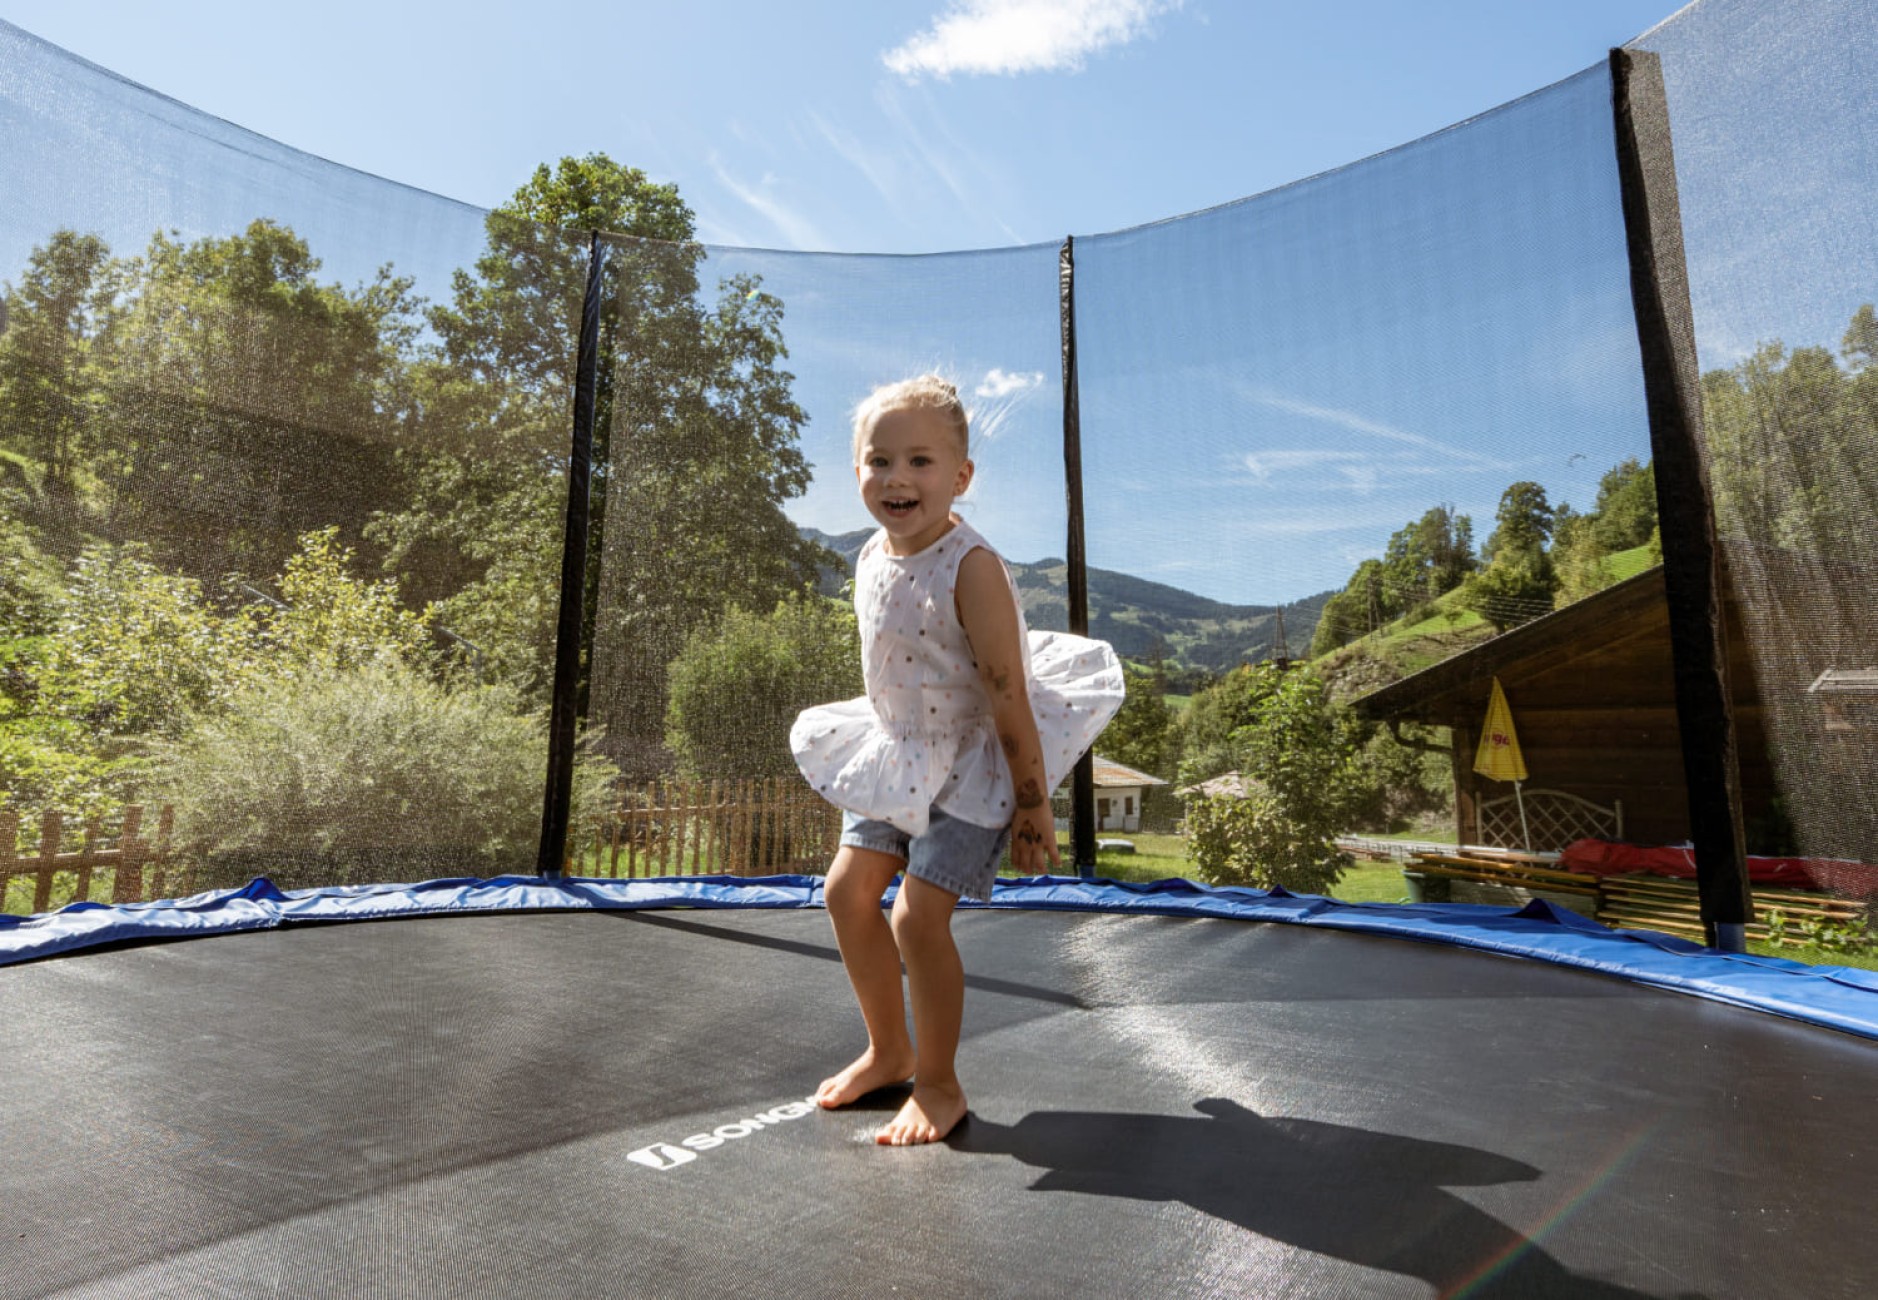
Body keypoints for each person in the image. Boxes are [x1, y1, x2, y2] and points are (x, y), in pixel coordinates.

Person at [790, 374, 1123, 1146]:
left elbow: (1008, 695)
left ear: (960, 477)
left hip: (975, 764)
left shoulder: (972, 568)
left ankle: (939, 1084)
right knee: (846, 893)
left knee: (916, 915)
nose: (897, 479)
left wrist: (1035, 806)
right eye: (879, 461)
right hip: (897, 747)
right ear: (856, 473)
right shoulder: (871, 555)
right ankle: (889, 1049)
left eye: (920, 462)